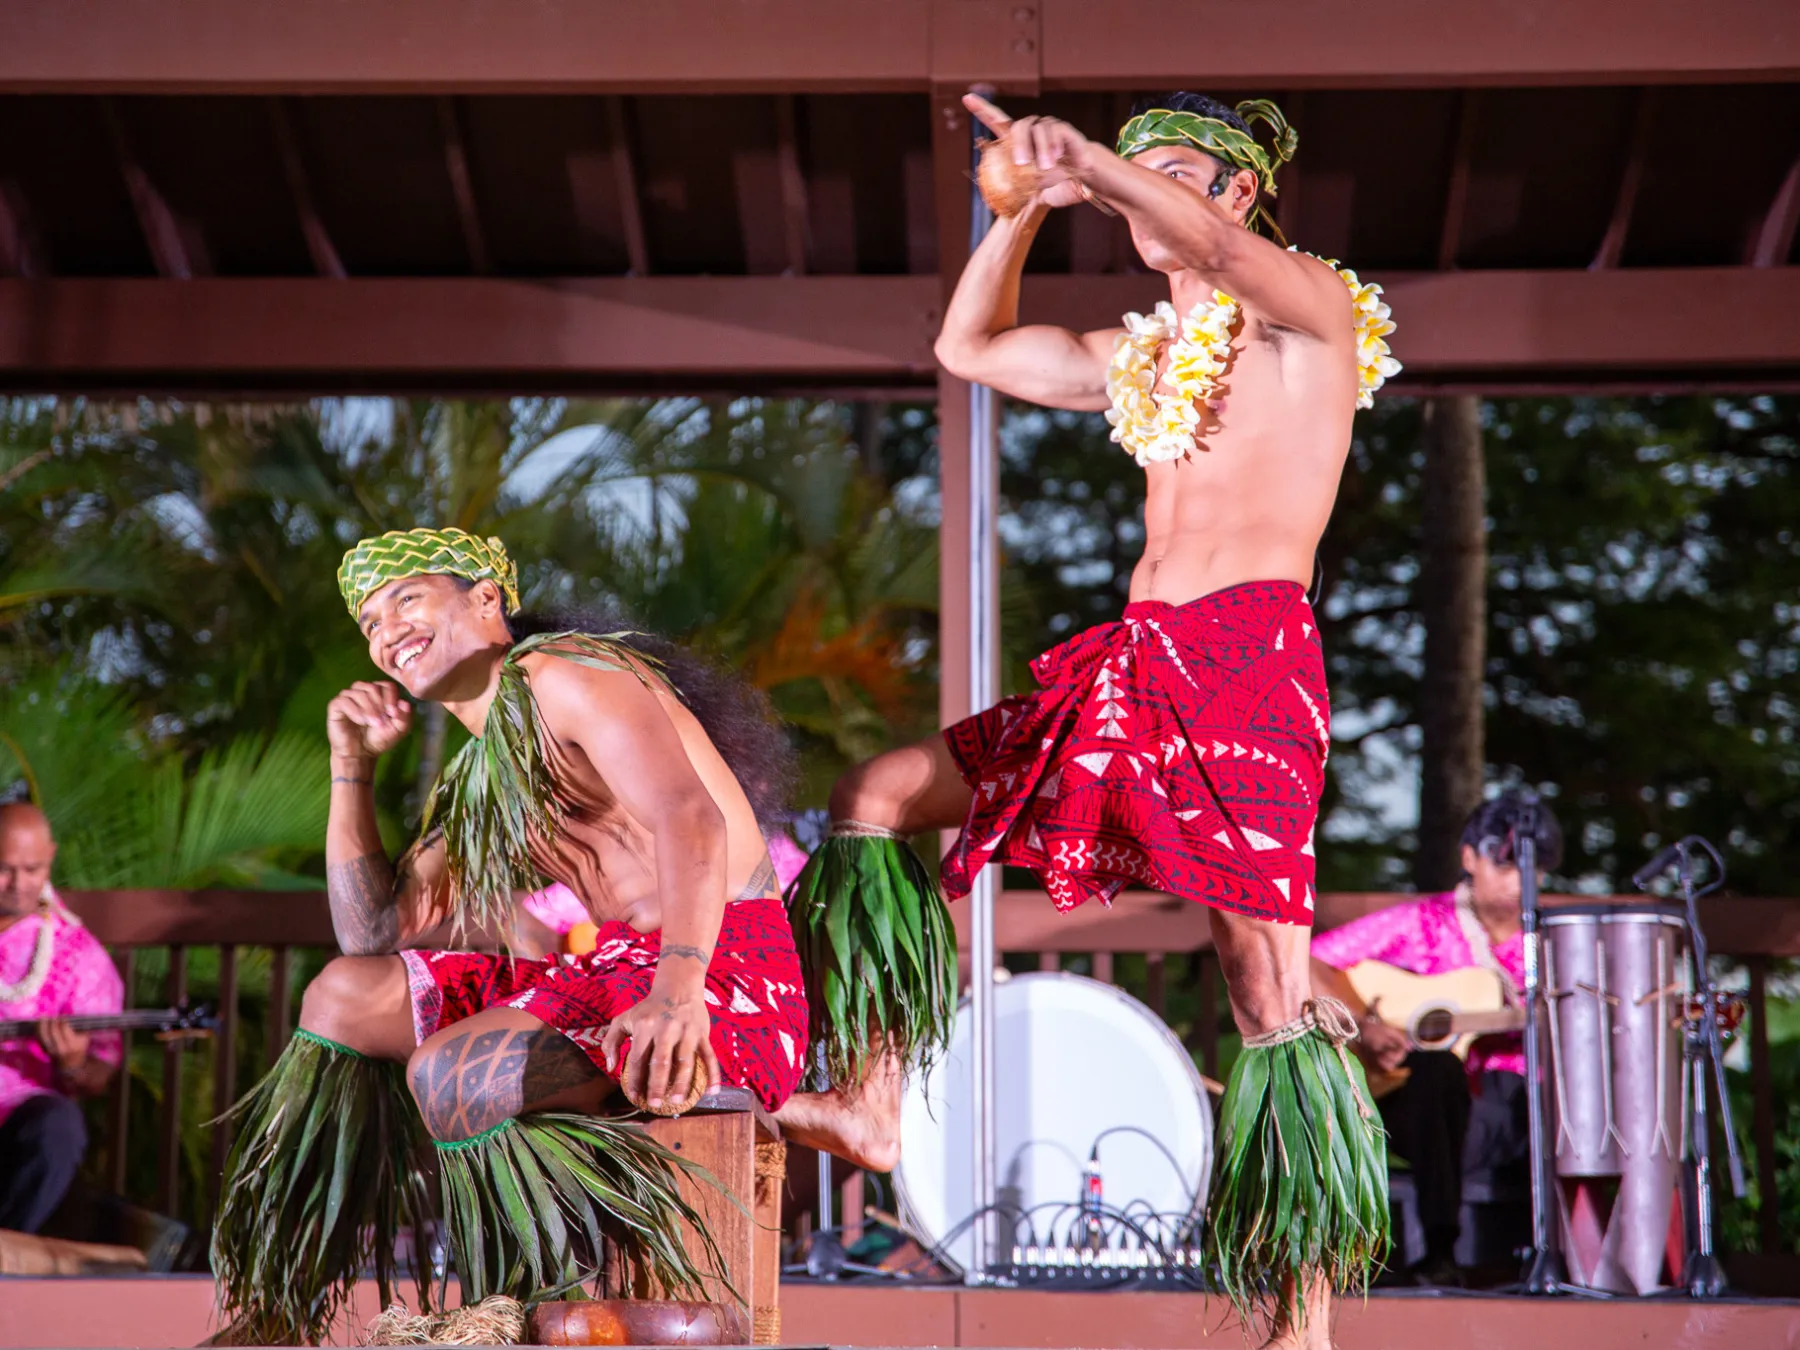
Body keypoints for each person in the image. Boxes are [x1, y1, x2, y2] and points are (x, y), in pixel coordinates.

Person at [782, 90, 1401, 1347]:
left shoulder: (1310, 319)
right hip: (1128, 665)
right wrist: (1018, 208)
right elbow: (971, 347)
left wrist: (1099, 162)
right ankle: (870, 1100)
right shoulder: (1145, 361)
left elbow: (1222, 257)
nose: (1144, 197)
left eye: (1173, 175)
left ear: (1233, 190)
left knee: (1268, 994)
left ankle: (1304, 1325)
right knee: (881, 795)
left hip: (1247, 666)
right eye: (1137, 178)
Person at [210, 529, 845, 1344]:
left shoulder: (569, 675)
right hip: (607, 972)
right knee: (340, 997)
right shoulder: (482, 775)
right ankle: (279, 1309)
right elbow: (372, 932)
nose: (386, 630)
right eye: (369, 621)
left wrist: (678, 991)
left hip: (722, 969)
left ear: (486, 599)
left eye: (407, 598)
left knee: (450, 1075)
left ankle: (520, 1301)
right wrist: (351, 766)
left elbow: (693, 819)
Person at [1311, 792, 1556, 1280]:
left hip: (1521, 1115)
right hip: (1418, 1111)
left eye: (1533, 869)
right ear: (1469, 858)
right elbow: (1310, 960)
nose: (1519, 882)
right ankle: (1440, 1251)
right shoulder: (1422, 923)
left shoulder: (1553, 944)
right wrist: (1364, 1027)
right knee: (1439, 1070)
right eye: (1504, 865)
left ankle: (1572, 1261)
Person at [0, 803, 123, 1233]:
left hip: (18, 1123)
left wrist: (72, 1063)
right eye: (3, 869)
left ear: (50, 857)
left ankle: (8, 1258)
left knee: (59, 1127)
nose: (17, 884)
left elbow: (98, 1074)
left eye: (31, 869)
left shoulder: (78, 955)